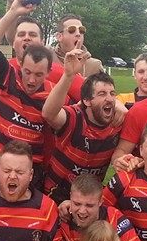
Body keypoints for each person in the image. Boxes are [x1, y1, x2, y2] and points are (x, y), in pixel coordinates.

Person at [0, 0, 59, 183]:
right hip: (0, 166)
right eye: (21, 33)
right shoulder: (8, 76)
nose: (32, 80)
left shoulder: (56, 91)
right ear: (20, 63)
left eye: (32, 34)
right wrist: (13, 12)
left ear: (49, 71)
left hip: (32, 171)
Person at [42, 49, 122, 203]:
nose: (109, 99)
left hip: (88, 202)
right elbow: (49, 114)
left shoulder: (118, 122)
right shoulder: (75, 117)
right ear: (86, 101)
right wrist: (68, 75)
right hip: (55, 196)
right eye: (102, 94)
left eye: (112, 94)